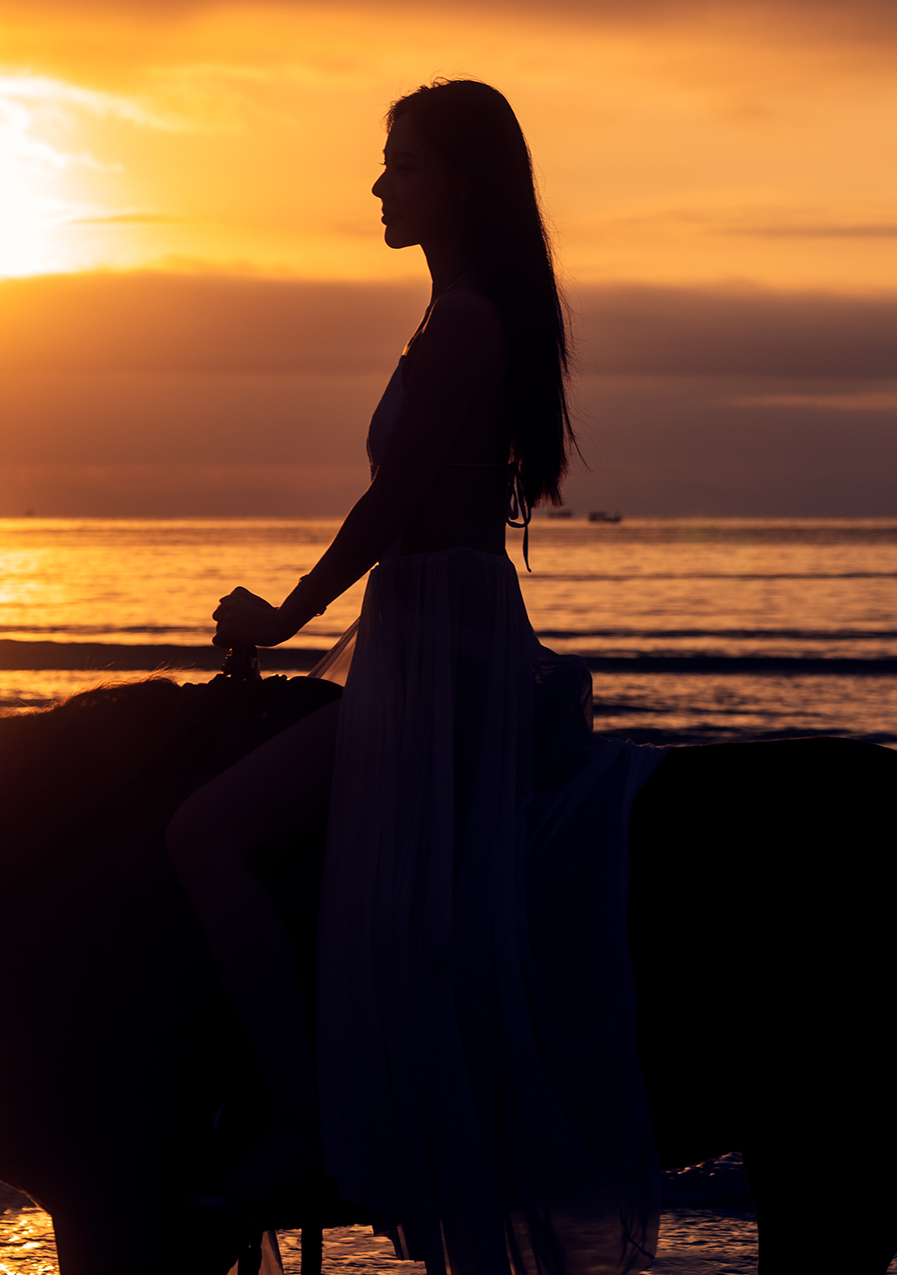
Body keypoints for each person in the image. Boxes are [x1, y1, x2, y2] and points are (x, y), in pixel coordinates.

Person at [167, 79, 662, 1275]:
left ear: (461, 181)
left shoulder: (466, 327)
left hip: (438, 636)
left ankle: (298, 1120)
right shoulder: (459, 317)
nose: (379, 184)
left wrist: (287, 614)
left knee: (206, 838)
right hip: (429, 627)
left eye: (399, 162)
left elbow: (392, 505)